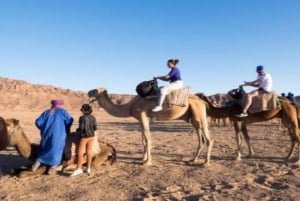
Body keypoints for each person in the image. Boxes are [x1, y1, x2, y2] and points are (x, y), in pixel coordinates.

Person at [32, 99, 73, 174]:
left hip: (46, 134)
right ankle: (53, 166)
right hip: (59, 134)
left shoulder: (46, 112)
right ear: (60, 105)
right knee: (56, 149)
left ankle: (37, 163)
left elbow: (38, 122)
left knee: (45, 148)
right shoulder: (63, 111)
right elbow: (69, 121)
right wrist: (65, 128)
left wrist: (43, 129)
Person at [71, 104, 97, 176]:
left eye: (82, 109)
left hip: (84, 136)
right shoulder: (93, 117)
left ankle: (79, 168)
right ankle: (88, 168)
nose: (81, 110)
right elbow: (95, 128)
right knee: (89, 152)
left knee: (80, 152)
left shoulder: (82, 118)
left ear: (84, 110)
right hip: (92, 136)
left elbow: (81, 128)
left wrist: (78, 131)